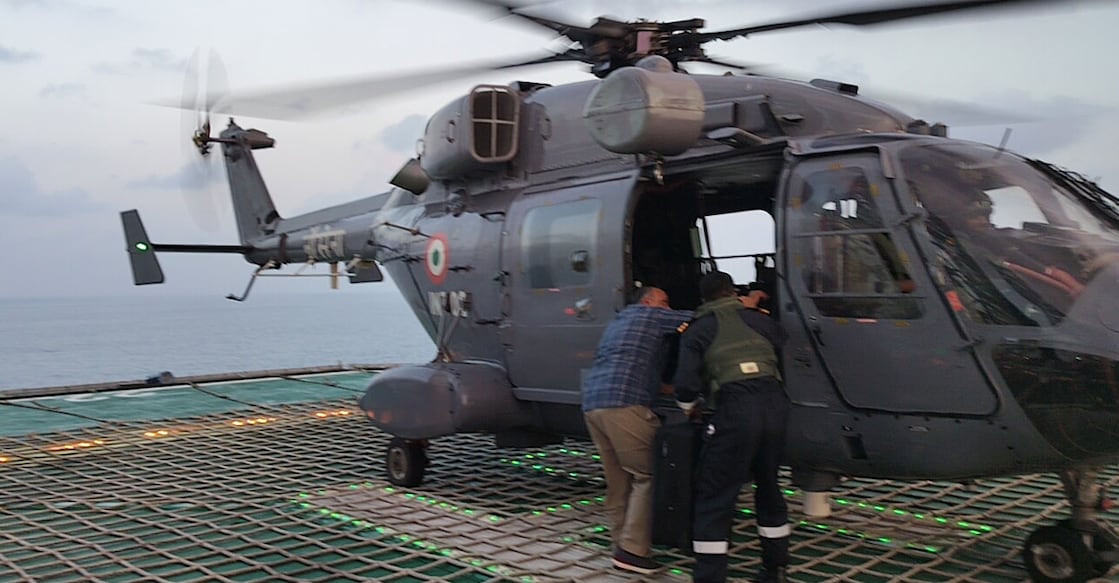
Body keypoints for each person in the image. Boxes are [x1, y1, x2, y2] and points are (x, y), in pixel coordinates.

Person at [673, 271, 790, 583]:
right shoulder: (762, 321)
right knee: (769, 487)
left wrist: (690, 409)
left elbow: (685, 385)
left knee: (715, 495)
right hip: (775, 408)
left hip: (735, 411)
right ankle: (774, 569)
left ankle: (710, 576)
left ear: (704, 298)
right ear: (732, 291)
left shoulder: (698, 329)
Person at [581, 286, 694, 575]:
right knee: (649, 474)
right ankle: (632, 551)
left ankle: (621, 543)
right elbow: (700, 318)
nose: (668, 308)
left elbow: (633, 365)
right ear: (648, 302)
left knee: (619, 480)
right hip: (625, 405)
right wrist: (740, 304)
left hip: (595, 404)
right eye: (665, 301)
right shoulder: (649, 315)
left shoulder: (620, 322)